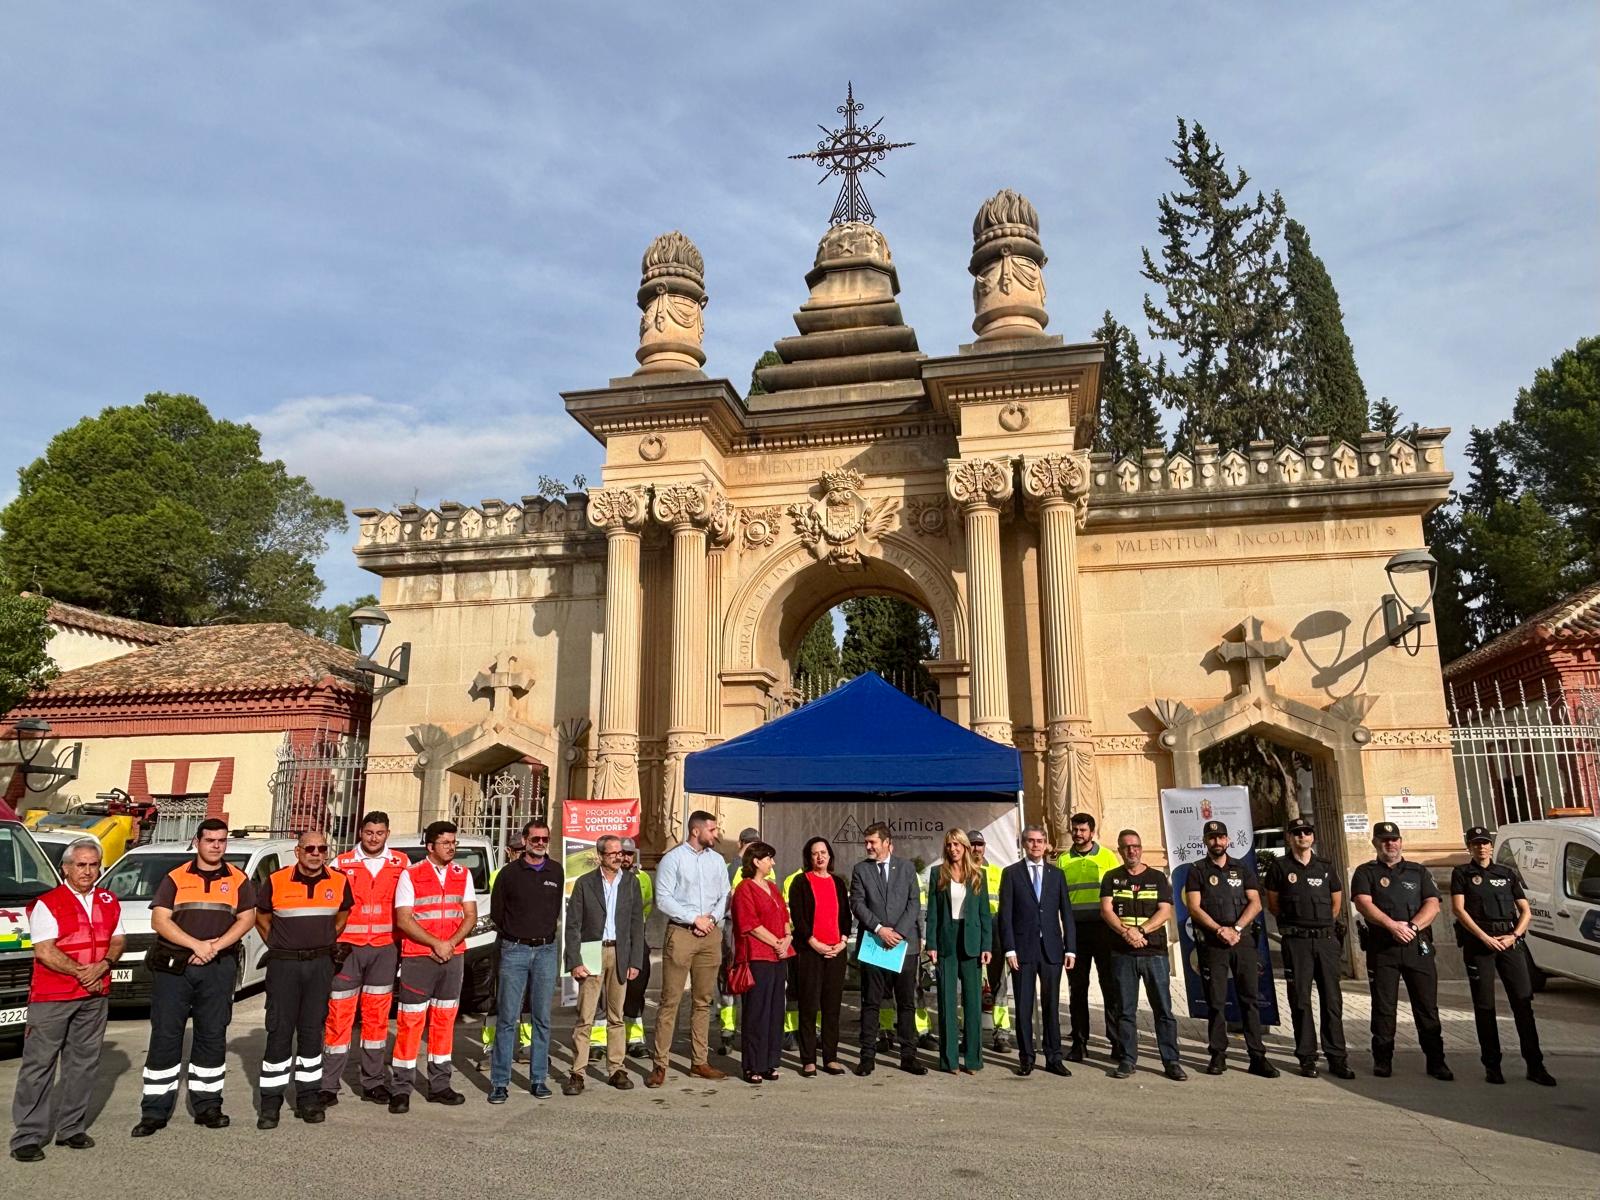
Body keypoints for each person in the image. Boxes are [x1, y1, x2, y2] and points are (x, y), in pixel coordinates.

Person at [132, 818, 258, 1137]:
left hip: (218, 967)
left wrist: (214, 947)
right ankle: (154, 1111)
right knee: (166, 1036)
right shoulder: (175, 877)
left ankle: (208, 1106)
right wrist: (196, 945)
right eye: (210, 840)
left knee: (212, 1035)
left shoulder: (239, 879)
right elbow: (160, 921)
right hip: (177, 968)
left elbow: (247, 918)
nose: (216, 845)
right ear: (197, 841)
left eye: (222, 841)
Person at [9, 837, 124, 1161]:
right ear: (66, 868)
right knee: (38, 1066)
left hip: (94, 996)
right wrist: (80, 972)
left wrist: (103, 965)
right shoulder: (48, 902)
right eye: (80, 864)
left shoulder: (108, 899)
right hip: (53, 997)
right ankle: (28, 1137)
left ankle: (71, 1128)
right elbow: (45, 951)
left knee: (83, 1065)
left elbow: (118, 939)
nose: (87, 871)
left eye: (93, 864)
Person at [255, 829, 352, 1129]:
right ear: (297, 852)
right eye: (309, 848)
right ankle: (270, 1103)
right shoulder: (276, 880)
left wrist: (322, 941)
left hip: (320, 964)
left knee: (312, 1032)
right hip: (285, 965)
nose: (316, 854)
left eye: (322, 849)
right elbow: (262, 918)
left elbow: (342, 916)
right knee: (280, 1031)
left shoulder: (338, 881)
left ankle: (308, 1098)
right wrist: (281, 945)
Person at [1450, 825, 1556, 1087]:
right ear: (1469, 847)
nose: (1481, 847)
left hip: (1508, 942)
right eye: (1476, 843)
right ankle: (1492, 1066)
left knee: (1522, 1004)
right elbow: (1459, 910)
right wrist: (1483, 938)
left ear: (1491, 846)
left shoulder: (1506, 874)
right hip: (1480, 944)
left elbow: (1525, 911)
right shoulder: (1462, 873)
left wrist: (1514, 936)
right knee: (1485, 1006)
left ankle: (1535, 1065)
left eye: (1485, 843)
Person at [1350, 822, 1451, 1081]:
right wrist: (1392, 925)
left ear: (1401, 841)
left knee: (1426, 1006)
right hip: (1383, 948)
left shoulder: (1418, 871)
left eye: (1394, 839)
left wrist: (1413, 927)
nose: (1390, 844)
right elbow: (1363, 903)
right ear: (1375, 843)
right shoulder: (1365, 872)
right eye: (1384, 840)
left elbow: (1432, 904)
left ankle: (1436, 1061)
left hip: (1417, 947)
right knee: (1384, 1007)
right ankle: (1383, 1060)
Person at [322, 810, 409, 1106]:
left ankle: (372, 1083)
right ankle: (328, 1084)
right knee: (339, 1016)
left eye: (380, 833)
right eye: (369, 832)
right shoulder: (341, 863)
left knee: (376, 1018)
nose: (374, 838)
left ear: (387, 834)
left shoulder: (401, 863)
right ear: (361, 832)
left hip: (385, 949)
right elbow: (328, 906)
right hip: (348, 950)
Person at [390, 819, 478, 1112]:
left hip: (453, 956)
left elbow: (470, 915)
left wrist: (450, 943)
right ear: (430, 846)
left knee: (444, 1022)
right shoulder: (410, 875)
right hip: (419, 957)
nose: (452, 847)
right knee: (411, 1021)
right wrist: (435, 944)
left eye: (454, 843)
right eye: (446, 843)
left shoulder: (462, 873)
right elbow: (404, 919)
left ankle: (440, 1085)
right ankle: (401, 1087)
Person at [1183, 820, 1278, 1078]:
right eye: (1212, 838)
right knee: (1216, 1001)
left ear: (1228, 840)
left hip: (1242, 941)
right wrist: (1219, 930)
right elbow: (1194, 907)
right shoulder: (1197, 870)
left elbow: (1255, 903)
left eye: (1221, 837)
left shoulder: (1242, 868)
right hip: (1214, 943)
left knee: (1249, 1000)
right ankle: (1218, 1054)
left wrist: (1235, 929)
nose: (1217, 842)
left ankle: (1257, 1056)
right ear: (1205, 841)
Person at [1262, 815, 1354, 1078]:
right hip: (1297, 941)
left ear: (1313, 837)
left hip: (1325, 940)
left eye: (1307, 832)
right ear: (1290, 838)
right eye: (1297, 833)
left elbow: (1336, 904)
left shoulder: (1325, 867)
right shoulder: (1280, 867)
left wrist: (1323, 925)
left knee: (1332, 1000)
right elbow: (1274, 904)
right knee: (1300, 1000)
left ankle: (1336, 1056)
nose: (1302, 837)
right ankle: (1307, 1056)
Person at [648, 810, 730, 1087]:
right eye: (712, 829)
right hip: (682, 932)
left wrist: (711, 920)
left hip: (709, 934)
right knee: (670, 1000)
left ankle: (699, 1061)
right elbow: (663, 898)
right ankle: (660, 1063)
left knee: (703, 1000)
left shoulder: (717, 861)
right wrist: (693, 918)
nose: (716, 834)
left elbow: (724, 894)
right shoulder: (673, 859)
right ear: (696, 831)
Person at [487, 818, 563, 1102]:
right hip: (515, 950)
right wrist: (515, 934)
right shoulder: (508, 873)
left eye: (545, 839)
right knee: (508, 1018)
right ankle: (499, 1081)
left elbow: (554, 910)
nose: (540, 843)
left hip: (545, 951)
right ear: (525, 840)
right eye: (535, 839)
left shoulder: (556, 871)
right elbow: (498, 913)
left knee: (542, 1018)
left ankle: (538, 1078)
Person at [1101, 829, 1186, 1082]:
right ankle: (1127, 1060)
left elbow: (1165, 912)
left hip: (1154, 953)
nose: (1132, 851)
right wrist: (1127, 933)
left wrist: (1140, 931)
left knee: (1163, 1010)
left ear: (1141, 848)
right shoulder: (1111, 877)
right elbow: (1107, 910)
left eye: (1136, 846)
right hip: (1123, 953)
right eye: (1126, 847)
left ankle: (1171, 1061)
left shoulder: (1158, 878)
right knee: (1125, 1010)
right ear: (1120, 850)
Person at [563, 834, 645, 1094]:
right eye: (613, 854)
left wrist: (635, 960)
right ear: (600, 856)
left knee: (616, 1016)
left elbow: (636, 924)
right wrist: (574, 961)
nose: (619, 857)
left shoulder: (631, 882)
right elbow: (573, 924)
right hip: (592, 950)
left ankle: (617, 1068)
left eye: (620, 853)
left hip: (619, 952)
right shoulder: (585, 883)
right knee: (586, 1016)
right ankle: (578, 1072)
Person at [849, 821, 927, 1076]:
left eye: (872, 842)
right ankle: (867, 1057)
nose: (868, 846)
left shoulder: (906, 868)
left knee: (906, 1003)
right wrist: (879, 929)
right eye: (866, 842)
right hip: (874, 943)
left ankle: (908, 1055)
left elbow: (913, 903)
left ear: (886, 843)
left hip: (905, 946)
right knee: (871, 1002)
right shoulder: (861, 869)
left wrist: (899, 933)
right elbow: (857, 903)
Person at [999, 824, 1076, 1077]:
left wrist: (1070, 949)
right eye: (1031, 841)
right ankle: (1026, 1057)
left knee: (1052, 1005)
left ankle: (1054, 1056)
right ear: (1024, 844)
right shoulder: (1011, 874)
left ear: (1046, 844)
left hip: (1052, 950)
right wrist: (1009, 949)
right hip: (1022, 950)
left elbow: (1066, 913)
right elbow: (1005, 916)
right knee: (1023, 1005)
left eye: (1040, 841)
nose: (1035, 845)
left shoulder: (1057, 875)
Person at [1057, 812, 1123, 1062]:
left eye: (1083, 830)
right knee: (1077, 989)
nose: (1078, 834)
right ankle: (1079, 1042)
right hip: (1075, 932)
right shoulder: (1063, 860)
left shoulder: (1108, 856)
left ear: (1092, 832)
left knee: (1110, 987)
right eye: (1075, 829)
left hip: (1104, 930)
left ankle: (1116, 1042)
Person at [926, 829, 992, 1074]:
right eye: (949, 845)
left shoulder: (978, 875)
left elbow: (985, 914)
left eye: (957, 844)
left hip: (971, 940)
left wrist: (987, 946)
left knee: (973, 1002)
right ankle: (949, 1060)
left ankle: (973, 1059)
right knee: (946, 1001)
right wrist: (930, 944)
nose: (953, 849)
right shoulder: (937, 874)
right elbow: (932, 913)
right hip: (946, 940)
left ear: (965, 847)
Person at [730, 841, 794, 1084]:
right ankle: (752, 1064)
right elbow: (750, 923)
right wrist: (776, 941)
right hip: (758, 956)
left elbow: (784, 917)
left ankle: (769, 1061)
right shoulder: (745, 888)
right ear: (756, 861)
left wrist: (786, 938)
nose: (773, 863)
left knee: (775, 1010)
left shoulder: (772, 887)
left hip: (779, 957)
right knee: (757, 1012)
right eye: (769, 858)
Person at [787, 836, 850, 1077]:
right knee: (809, 1006)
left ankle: (831, 1058)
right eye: (815, 853)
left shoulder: (838, 883)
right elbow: (799, 918)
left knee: (832, 1007)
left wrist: (842, 941)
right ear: (809, 857)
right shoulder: (801, 882)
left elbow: (845, 915)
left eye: (823, 852)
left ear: (830, 855)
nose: (820, 857)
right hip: (810, 953)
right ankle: (809, 1060)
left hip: (836, 952)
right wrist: (814, 943)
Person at [715, 826, 761, 1055]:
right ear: (741, 844)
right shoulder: (730, 867)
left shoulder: (766, 868)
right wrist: (741, 857)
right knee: (729, 981)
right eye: (749, 844)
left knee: (752, 981)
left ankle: (750, 1032)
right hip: (732, 929)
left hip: (755, 932)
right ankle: (727, 1031)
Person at [968, 831, 1011, 1052]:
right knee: (967, 988)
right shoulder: (959, 873)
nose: (976, 849)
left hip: (994, 934)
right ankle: (969, 1033)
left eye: (980, 844)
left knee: (999, 987)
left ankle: (1001, 1034)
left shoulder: (997, 872)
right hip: (968, 935)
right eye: (972, 844)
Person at [618, 837, 652, 1056]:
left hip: (636, 939)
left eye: (630, 854)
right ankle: (599, 1042)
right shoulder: (607, 877)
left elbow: (647, 905)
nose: (626, 858)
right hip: (612, 940)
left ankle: (635, 1038)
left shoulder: (644, 878)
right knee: (606, 995)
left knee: (636, 990)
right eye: (623, 853)